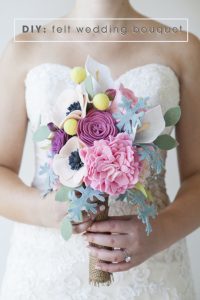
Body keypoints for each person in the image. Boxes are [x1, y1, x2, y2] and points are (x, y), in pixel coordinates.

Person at [0, 0, 200, 299]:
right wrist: (45, 211)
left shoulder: (183, 48)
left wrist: (161, 232)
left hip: (153, 270)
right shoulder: (23, 48)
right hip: (44, 269)